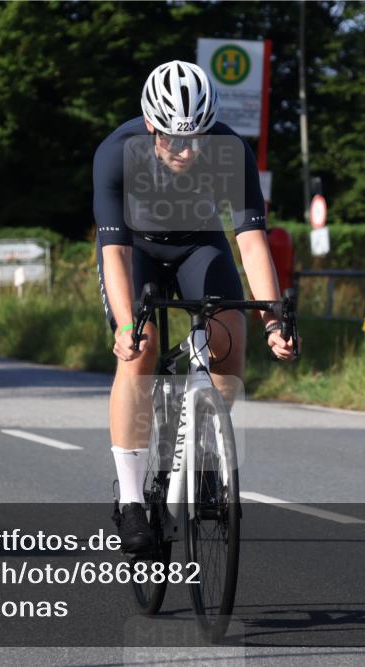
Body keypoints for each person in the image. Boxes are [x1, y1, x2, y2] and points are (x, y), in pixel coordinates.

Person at [92, 61, 295, 554]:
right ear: (150, 126)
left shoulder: (230, 150)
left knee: (230, 334)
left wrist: (273, 318)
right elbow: (113, 253)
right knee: (139, 353)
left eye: (196, 139)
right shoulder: (117, 154)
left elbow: (250, 240)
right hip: (136, 248)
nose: (185, 150)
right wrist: (124, 325)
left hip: (198, 244)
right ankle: (134, 500)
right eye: (173, 140)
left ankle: (208, 463)